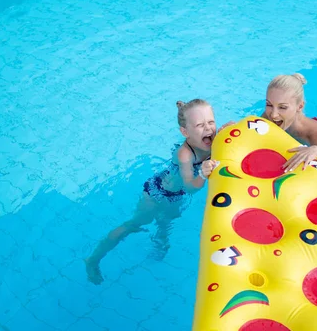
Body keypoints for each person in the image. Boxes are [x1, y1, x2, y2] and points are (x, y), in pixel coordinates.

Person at [85, 99, 220, 285]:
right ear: (186, 133)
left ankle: (159, 246)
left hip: (176, 197)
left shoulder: (213, 137)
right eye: (200, 125)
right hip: (158, 194)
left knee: (166, 223)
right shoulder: (185, 154)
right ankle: (93, 260)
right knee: (134, 224)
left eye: (211, 122)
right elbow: (190, 187)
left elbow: (231, 128)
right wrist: (204, 175)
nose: (208, 129)